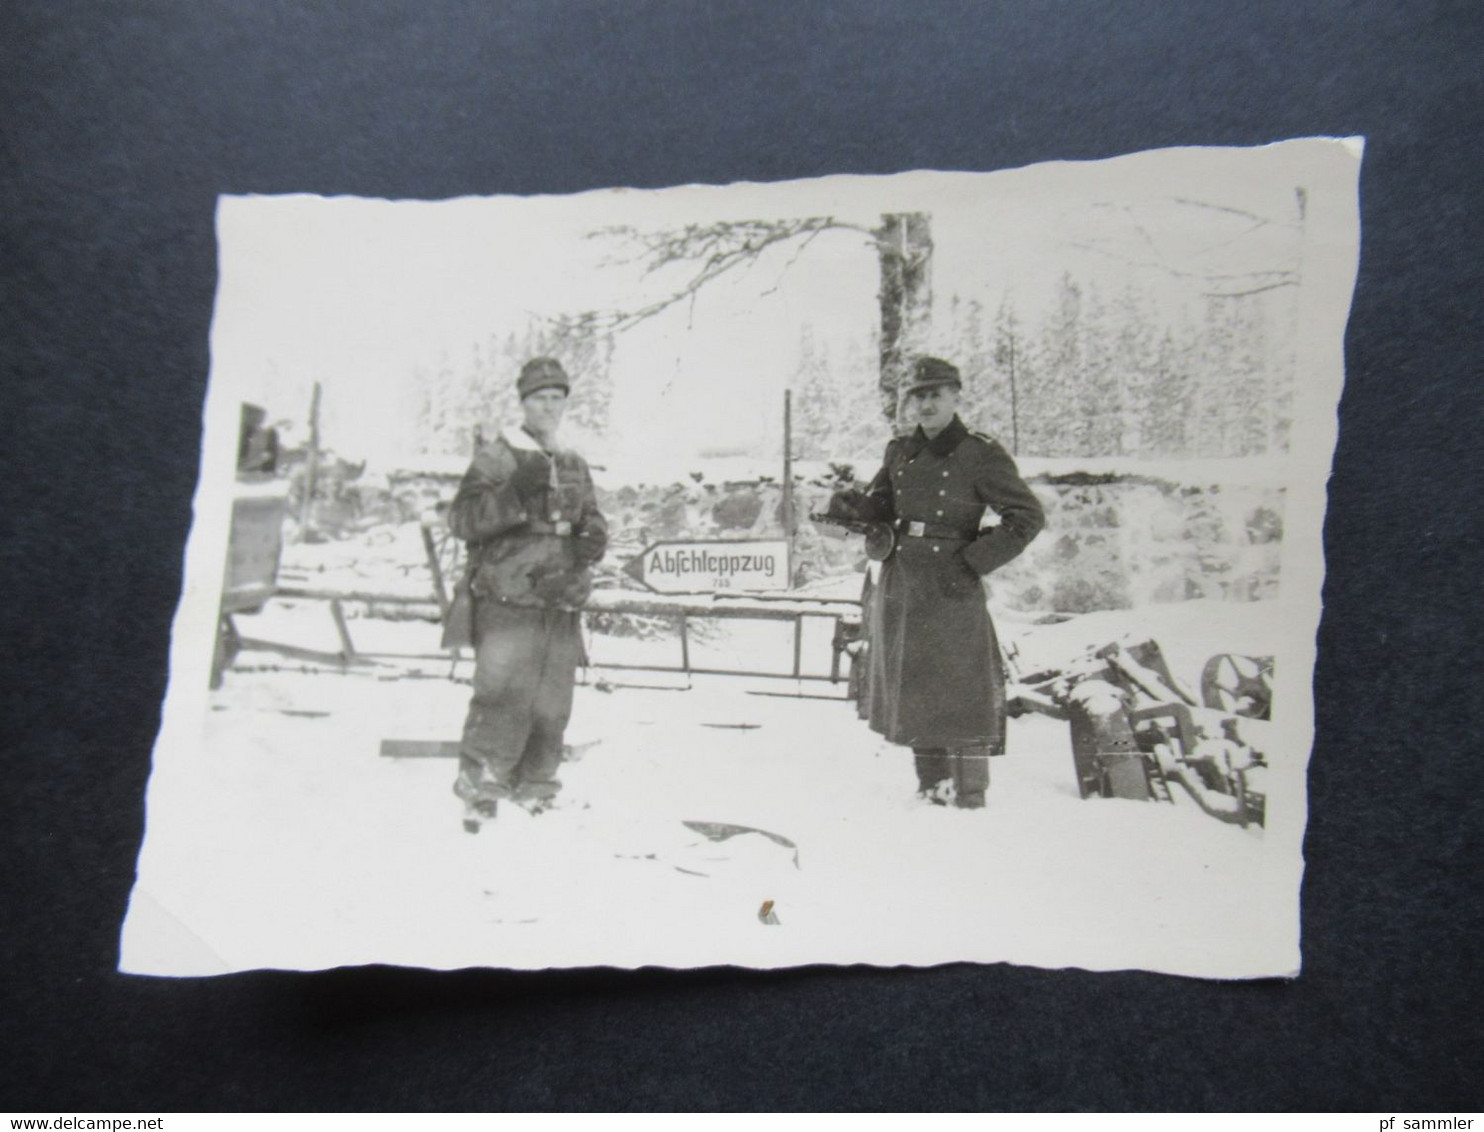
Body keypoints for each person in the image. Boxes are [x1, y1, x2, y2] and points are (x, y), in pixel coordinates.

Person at [829, 356, 1045, 808]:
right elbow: (881, 507)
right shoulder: (900, 451)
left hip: (951, 583)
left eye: (936, 395)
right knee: (913, 683)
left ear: (955, 396)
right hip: (903, 580)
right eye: (919, 396)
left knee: (958, 682)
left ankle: (966, 790)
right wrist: (853, 506)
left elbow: (1026, 517)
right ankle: (931, 784)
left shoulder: (979, 452)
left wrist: (972, 561)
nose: (926, 405)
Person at [446, 357, 608, 831]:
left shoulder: (573, 459)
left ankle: (537, 785)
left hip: (561, 596)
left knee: (552, 700)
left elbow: (591, 515)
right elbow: (463, 521)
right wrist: (514, 492)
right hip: (508, 597)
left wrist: (593, 537)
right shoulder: (498, 456)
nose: (549, 408)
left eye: (557, 399)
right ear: (523, 403)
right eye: (540, 399)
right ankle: (482, 791)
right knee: (500, 695)